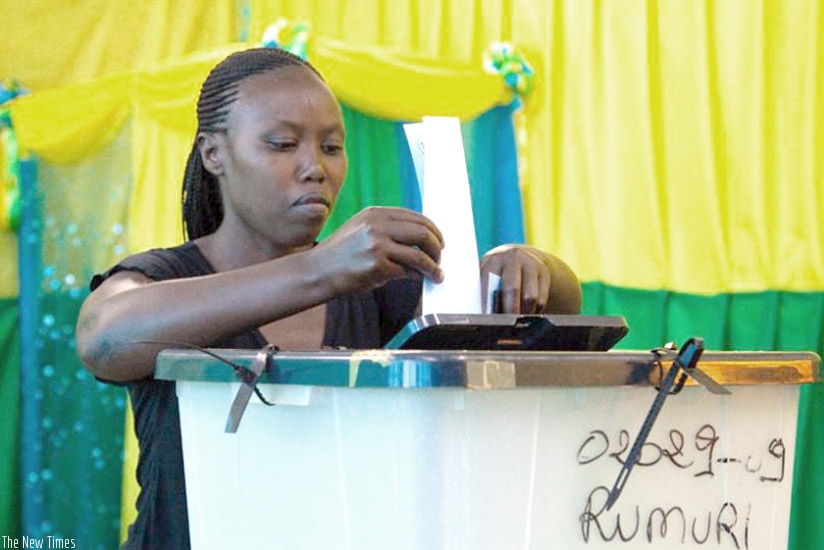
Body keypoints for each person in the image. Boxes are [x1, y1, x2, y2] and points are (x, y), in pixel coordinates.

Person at [75, 47, 582, 549]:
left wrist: (523, 262)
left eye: (331, 147)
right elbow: (105, 339)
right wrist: (320, 270)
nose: (314, 167)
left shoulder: (378, 288)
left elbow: (562, 303)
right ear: (213, 153)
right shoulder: (166, 277)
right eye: (281, 144)